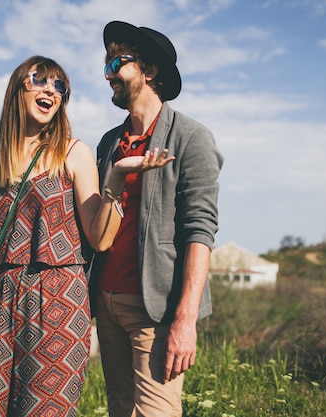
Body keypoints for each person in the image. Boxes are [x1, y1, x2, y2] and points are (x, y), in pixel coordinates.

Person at [0, 55, 172, 417]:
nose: (51, 91)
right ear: (17, 90)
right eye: (39, 81)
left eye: (60, 87)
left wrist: (116, 180)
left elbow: (100, 238)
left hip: (57, 303)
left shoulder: (74, 153)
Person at [89, 22, 224, 417]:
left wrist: (186, 319)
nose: (109, 73)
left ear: (148, 71)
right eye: (107, 65)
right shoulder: (108, 143)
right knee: (119, 408)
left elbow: (200, 229)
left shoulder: (190, 137)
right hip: (106, 302)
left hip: (157, 309)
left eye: (118, 62)